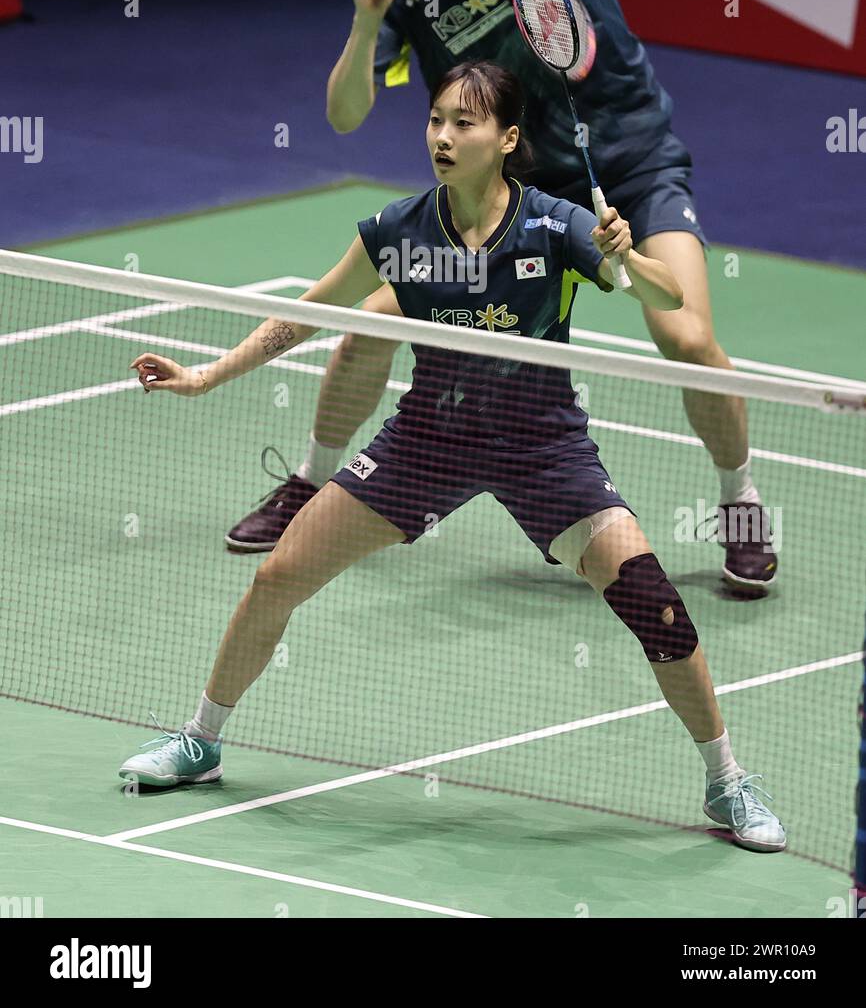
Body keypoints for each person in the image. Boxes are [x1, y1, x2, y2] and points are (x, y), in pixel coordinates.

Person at [122, 62, 786, 853]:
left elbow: (666, 298)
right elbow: (303, 314)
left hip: (543, 448)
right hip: (428, 440)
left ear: (506, 139)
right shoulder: (398, 230)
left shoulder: (554, 225)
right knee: (278, 577)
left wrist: (624, 252)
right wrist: (207, 375)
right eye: (436, 120)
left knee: (652, 601)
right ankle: (200, 739)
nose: (442, 136)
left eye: (463, 123)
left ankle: (727, 781)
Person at [225, 0, 776, 596]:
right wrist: (369, 18)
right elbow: (344, 116)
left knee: (688, 340)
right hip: (518, 199)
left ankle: (741, 503)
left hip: (631, 157)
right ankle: (310, 481)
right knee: (369, 325)